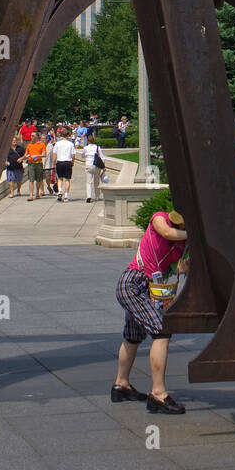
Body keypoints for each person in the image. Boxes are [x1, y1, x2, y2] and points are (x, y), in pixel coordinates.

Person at [113, 208, 189, 413]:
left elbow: (182, 268)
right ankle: (158, 393)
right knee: (162, 332)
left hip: (145, 287)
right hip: (132, 283)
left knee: (133, 336)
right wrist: (196, 234)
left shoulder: (182, 244)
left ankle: (121, 385)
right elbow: (167, 233)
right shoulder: (159, 218)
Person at [24, 128, 47, 200]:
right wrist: (25, 157)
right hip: (31, 164)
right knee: (31, 180)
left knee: (39, 180)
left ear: (37, 137)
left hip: (38, 163)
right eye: (31, 136)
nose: (31, 137)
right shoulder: (29, 145)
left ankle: (37, 193)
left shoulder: (42, 144)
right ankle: (31, 195)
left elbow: (44, 154)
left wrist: (37, 156)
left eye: (33, 136)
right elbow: (26, 155)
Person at [53, 126, 75, 201]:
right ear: (68, 135)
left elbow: (54, 154)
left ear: (61, 135)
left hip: (59, 162)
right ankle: (66, 196)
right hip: (68, 162)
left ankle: (59, 191)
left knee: (60, 178)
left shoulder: (57, 144)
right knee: (67, 180)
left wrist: (53, 163)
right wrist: (73, 162)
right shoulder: (71, 144)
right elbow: (73, 155)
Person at [83, 136, 106, 201]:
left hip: (88, 165)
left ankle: (89, 196)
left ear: (88, 141)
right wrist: (104, 166)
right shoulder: (97, 147)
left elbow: (83, 155)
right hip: (96, 166)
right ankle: (97, 196)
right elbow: (102, 157)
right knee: (97, 182)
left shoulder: (86, 148)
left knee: (88, 182)